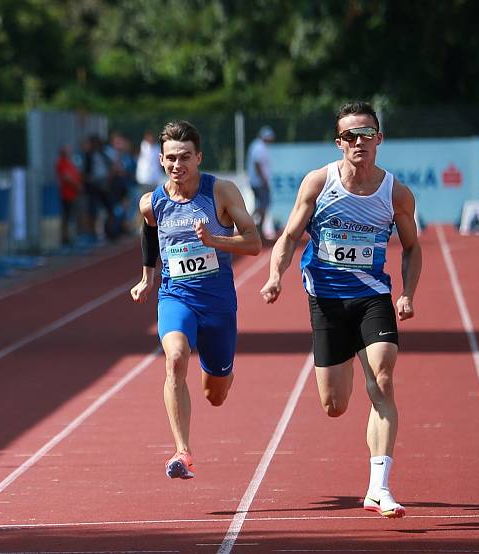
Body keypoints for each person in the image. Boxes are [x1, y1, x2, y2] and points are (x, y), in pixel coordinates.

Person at [260, 101, 422, 519]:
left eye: (366, 134)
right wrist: (275, 275)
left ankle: (379, 487)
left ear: (379, 139)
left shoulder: (396, 193)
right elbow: (290, 235)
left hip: (372, 296)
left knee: (383, 379)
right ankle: (349, 352)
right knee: (334, 405)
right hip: (327, 300)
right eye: (350, 136)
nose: (359, 142)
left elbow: (412, 247)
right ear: (339, 143)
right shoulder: (319, 183)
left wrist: (407, 293)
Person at [130, 120, 261, 479]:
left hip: (217, 303)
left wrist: (215, 241)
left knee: (215, 394)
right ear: (160, 159)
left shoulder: (222, 192)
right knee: (174, 358)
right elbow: (149, 232)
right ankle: (182, 452)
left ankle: (220, 371)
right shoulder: (152, 203)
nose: (178, 165)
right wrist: (147, 278)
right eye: (171, 158)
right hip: (176, 297)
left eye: (185, 157)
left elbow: (253, 243)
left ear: (198, 157)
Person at [246, 125, 275, 240]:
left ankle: (256, 227)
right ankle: (252, 225)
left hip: (257, 181)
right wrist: (264, 180)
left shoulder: (258, 146)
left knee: (261, 205)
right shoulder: (259, 147)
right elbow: (257, 165)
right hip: (259, 182)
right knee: (263, 205)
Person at [55, 144, 82, 245]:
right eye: (67, 150)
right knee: (67, 216)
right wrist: (77, 185)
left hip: (73, 193)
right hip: (67, 194)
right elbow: (66, 177)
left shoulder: (69, 162)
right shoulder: (61, 163)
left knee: (71, 216)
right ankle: (65, 238)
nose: (70, 152)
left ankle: (71, 236)